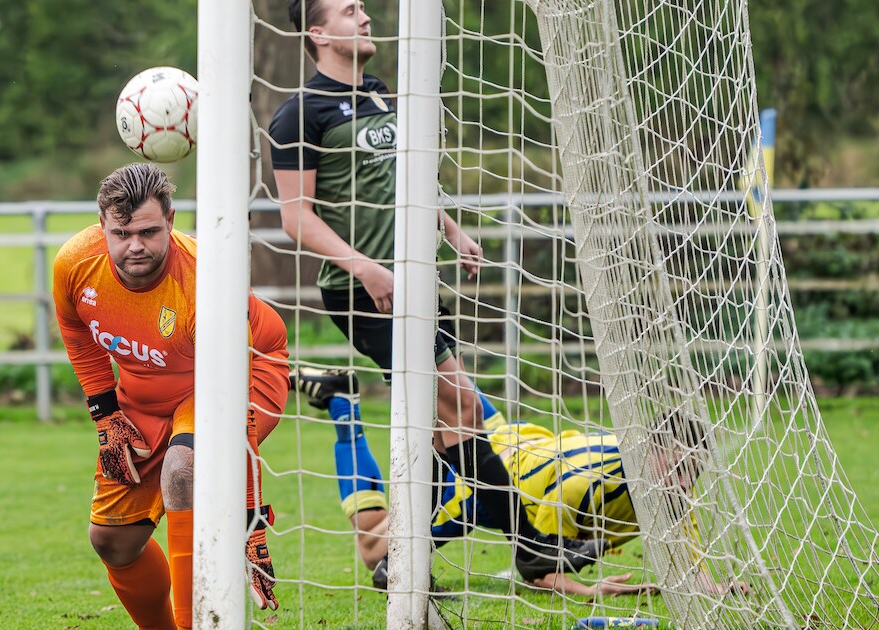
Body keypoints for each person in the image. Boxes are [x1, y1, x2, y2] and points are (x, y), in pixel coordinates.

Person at [269, 0, 603, 579]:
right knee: (462, 407)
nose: (366, 16)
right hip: (365, 292)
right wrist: (365, 269)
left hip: (417, 282)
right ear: (318, 33)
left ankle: (399, 557)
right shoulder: (300, 114)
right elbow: (295, 217)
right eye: (349, 11)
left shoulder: (378, 93)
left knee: (445, 425)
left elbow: (408, 179)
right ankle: (532, 551)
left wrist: (450, 229)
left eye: (364, 8)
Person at [53, 163, 290, 629]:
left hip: (246, 372)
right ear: (101, 225)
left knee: (183, 470)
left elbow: (232, 410)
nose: (135, 245)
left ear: (171, 221)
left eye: (148, 231)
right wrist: (106, 416)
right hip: (148, 394)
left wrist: (250, 518)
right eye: (121, 232)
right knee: (112, 542)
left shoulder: (205, 285)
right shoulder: (75, 264)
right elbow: (77, 332)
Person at [292, 367, 751, 597]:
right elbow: (536, 566)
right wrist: (588, 591)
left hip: (518, 440)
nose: (683, 480)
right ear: (650, 452)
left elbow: (689, 556)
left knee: (455, 400)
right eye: (677, 467)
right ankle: (343, 405)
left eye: (693, 469)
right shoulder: (584, 486)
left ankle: (421, 360)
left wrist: (714, 586)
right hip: (493, 482)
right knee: (377, 551)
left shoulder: (669, 493)